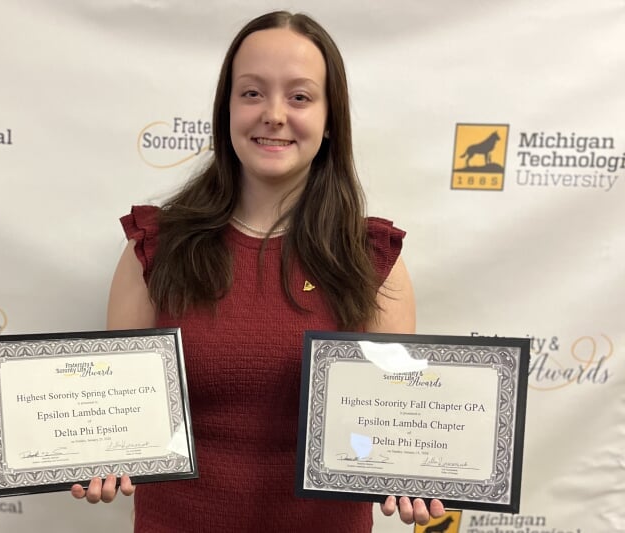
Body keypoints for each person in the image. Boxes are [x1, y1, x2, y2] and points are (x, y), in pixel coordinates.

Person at [71, 10, 445, 531]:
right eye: (251, 93)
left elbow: (383, 429)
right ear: (227, 109)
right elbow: (117, 417)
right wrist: (99, 451)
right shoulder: (156, 250)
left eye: (299, 96)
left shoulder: (373, 262)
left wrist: (409, 467)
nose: (273, 114)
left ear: (330, 117)